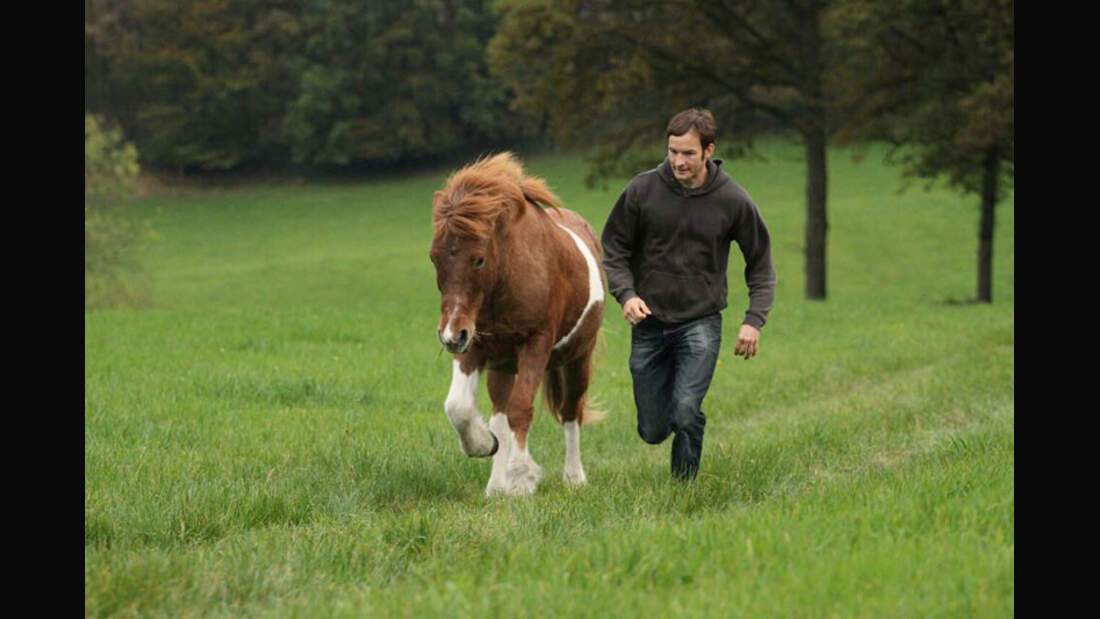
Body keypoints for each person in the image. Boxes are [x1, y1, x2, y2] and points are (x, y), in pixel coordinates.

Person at [600, 108, 777, 481]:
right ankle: (668, 429)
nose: (678, 161)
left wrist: (753, 321)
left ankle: (684, 488)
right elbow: (613, 248)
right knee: (651, 430)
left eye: (688, 153)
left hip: (700, 322)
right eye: (673, 151)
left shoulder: (733, 200)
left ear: (708, 150)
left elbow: (760, 264)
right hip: (648, 322)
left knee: (684, 411)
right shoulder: (642, 190)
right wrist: (626, 294)